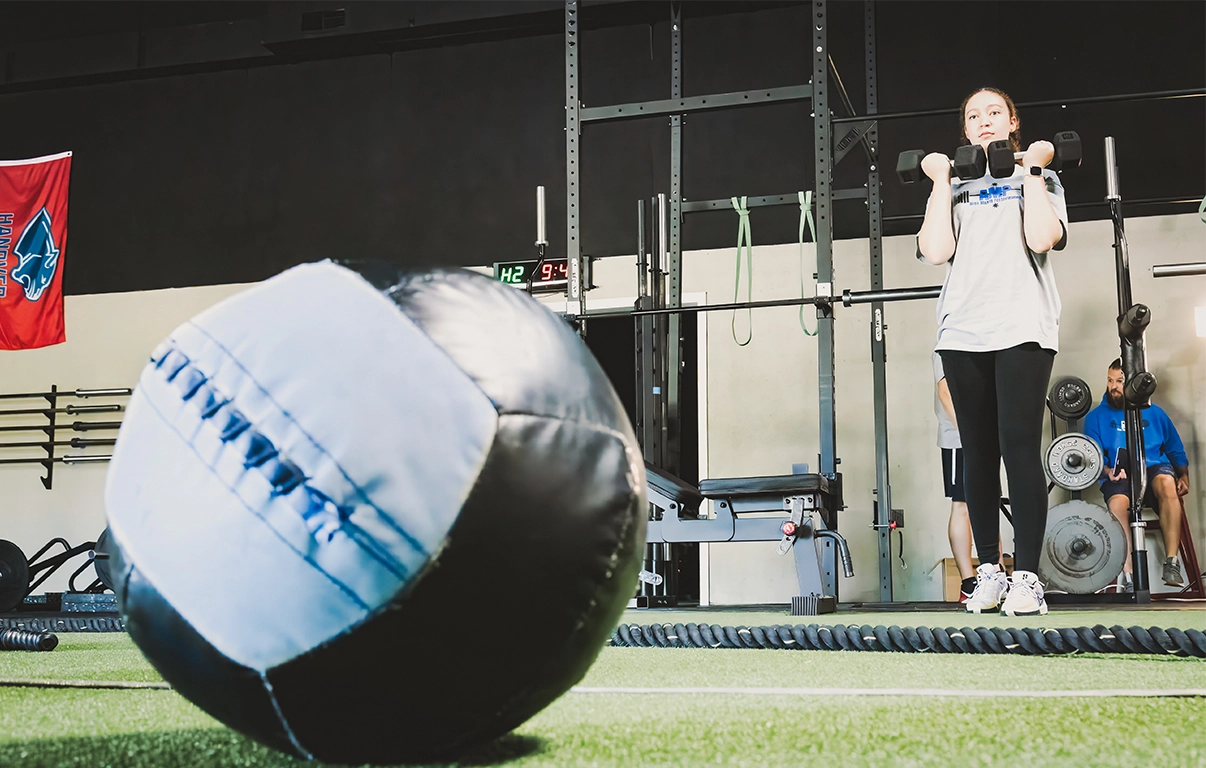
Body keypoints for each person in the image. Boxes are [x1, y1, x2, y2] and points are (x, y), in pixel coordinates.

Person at [917, 87, 1069, 616]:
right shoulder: (953, 187)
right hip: (962, 331)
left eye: (994, 113)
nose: (984, 121)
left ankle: (1026, 578)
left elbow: (1042, 238)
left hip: (1023, 325)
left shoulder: (1042, 178)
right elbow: (936, 251)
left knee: (1019, 447)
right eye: (973, 115)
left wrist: (1032, 171)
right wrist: (939, 182)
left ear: (1011, 122)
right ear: (965, 129)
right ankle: (987, 572)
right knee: (976, 453)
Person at [1083, 358, 1191, 588]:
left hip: (1152, 467)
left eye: (1119, 381)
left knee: (1166, 483)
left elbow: (1174, 447)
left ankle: (1171, 562)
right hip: (1118, 474)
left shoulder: (1156, 414)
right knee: (1119, 505)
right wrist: (1106, 469)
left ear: (1133, 383)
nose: (1113, 386)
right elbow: (1091, 454)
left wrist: (1183, 474)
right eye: (1110, 380)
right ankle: (1129, 575)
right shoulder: (1095, 417)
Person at [934, 351, 975, 602]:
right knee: (962, 505)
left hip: (983, 441)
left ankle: (997, 574)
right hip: (958, 440)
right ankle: (969, 583)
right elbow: (945, 393)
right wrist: (969, 433)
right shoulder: (945, 349)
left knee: (987, 503)